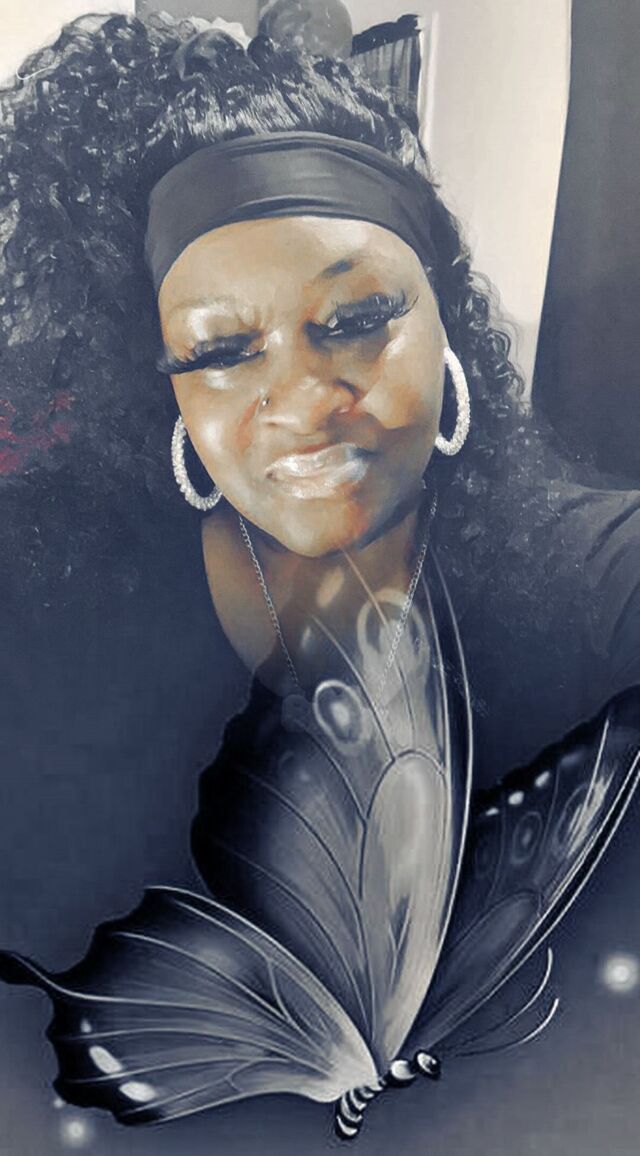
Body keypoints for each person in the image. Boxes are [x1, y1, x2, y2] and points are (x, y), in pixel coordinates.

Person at [0, 12, 638, 1154]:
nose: (299, 402)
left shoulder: (588, 583)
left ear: (446, 319)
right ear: (167, 389)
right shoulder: (55, 600)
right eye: (218, 352)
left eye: (354, 320)